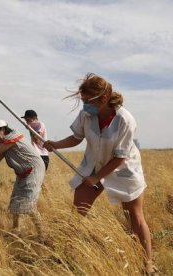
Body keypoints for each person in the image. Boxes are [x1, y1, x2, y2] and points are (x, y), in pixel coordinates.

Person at [43, 73, 156, 274]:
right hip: (93, 165)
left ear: (103, 99)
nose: (84, 105)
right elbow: (77, 137)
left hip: (124, 170)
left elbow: (120, 157)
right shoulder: (87, 114)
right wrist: (55, 144)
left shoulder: (125, 120)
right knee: (78, 211)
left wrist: (96, 178)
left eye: (87, 101)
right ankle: (66, 254)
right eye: (83, 100)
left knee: (134, 217)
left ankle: (147, 262)